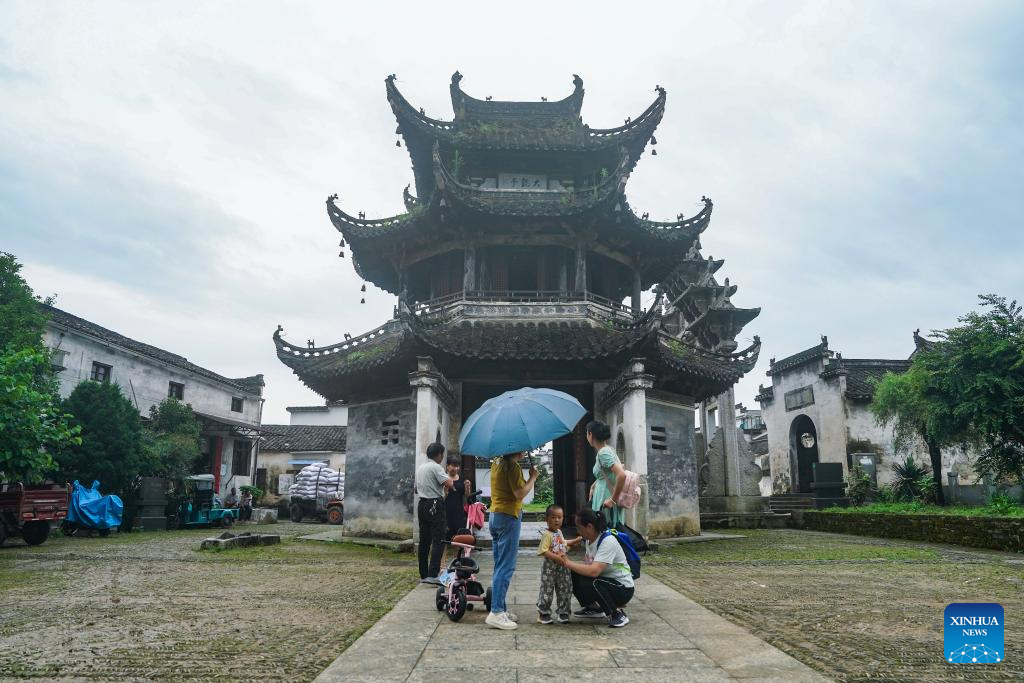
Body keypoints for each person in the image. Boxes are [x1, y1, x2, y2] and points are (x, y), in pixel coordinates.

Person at [555, 508, 634, 628]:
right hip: (605, 581)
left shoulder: (608, 541)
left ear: (589, 527)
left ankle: (617, 614)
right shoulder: (589, 540)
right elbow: (587, 567)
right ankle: (593, 608)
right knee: (571, 574)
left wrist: (568, 563)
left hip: (622, 588)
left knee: (594, 580)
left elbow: (594, 571)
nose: (577, 530)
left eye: (579, 527)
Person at [486, 451, 538, 630]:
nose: (525, 451)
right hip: (508, 516)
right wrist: (533, 478)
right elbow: (519, 494)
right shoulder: (513, 466)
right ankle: (496, 612)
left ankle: (500, 607)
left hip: (495, 515)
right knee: (506, 566)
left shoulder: (497, 461)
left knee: (499, 564)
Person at [535, 504, 581, 624]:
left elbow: (563, 543)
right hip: (550, 567)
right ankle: (543, 613)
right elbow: (543, 550)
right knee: (547, 589)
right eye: (553, 517)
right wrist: (556, 557)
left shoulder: (559, 532)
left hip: (562, 565)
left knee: (565, 587)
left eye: (559, 517)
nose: (556, 520)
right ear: (547, 519)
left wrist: (575, 540)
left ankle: (564, 612)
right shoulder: (547, 534)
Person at [415, 442, 454, 584]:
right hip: (434, 504)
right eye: (442, 454)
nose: (442, 457)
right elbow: (449, 484)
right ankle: (433, 574)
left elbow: (416, 489)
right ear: (438, 455)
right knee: (439, 539)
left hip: (422, 504)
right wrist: (449, 480)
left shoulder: (421, 467)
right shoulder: (436, 467)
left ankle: (424, 575)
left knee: (424, 540)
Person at [587, 420, 627, 528]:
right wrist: (594, 484)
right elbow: (606, 474)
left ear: (590, 434)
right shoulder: (608, 450)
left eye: (587, 433)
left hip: (606, 497)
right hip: (605, 494)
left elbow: (621, 475)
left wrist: (612, 500)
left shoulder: (603, 453)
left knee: (607, 531)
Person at [442, 456, 472, 566]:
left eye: (457, 466)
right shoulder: (443, 478)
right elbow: (442, 498)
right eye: (453, 466)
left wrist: (468, 487)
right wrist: (445, 493)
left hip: (458, 512)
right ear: (447, 466)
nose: (456, 468)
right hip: (445, 512)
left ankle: (455, 561)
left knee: (457, 538)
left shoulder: (462, 478)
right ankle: (442, 564)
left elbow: (467, 496)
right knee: (444, 539)